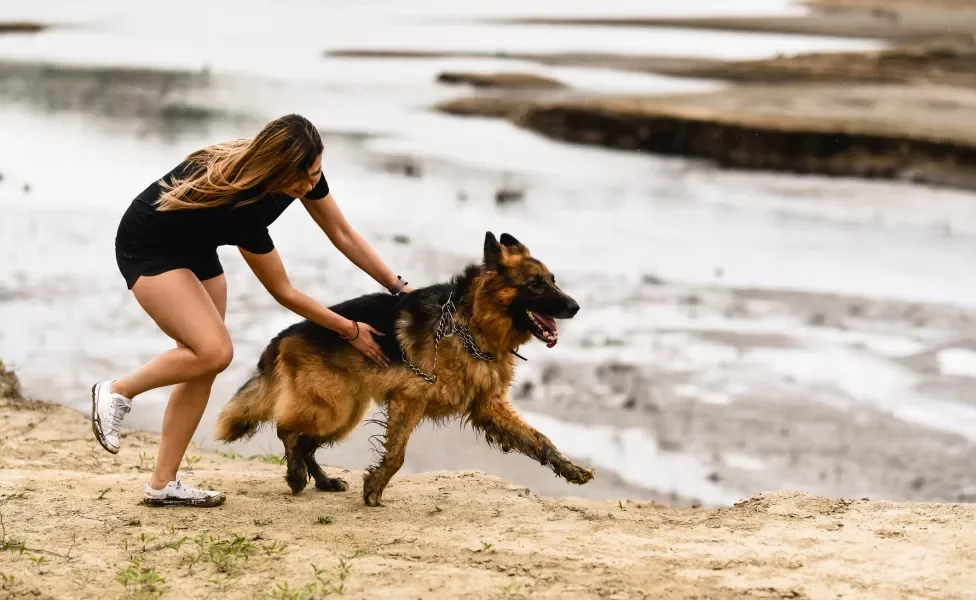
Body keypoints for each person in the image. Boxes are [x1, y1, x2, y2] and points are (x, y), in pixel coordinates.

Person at [91, 113, 413, 508]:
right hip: (148, 247)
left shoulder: (303, 174)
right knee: (214, 352)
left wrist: (399, 288)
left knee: (201, 364)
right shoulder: (245, 207)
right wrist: (349, 330)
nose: (312, 186)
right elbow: (283, 292)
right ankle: (116, 391)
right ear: (277, 171)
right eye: (304, 179)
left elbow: (342, 233)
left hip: (195, 243)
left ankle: (162, 483)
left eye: (317, 173)